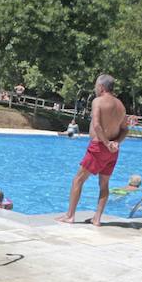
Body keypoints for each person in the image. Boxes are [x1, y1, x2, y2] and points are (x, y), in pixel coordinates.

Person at [56, 74, 128, 226]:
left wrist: (107, 142)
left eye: (96, 86)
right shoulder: (121, 105)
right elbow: (125, 130)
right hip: (113, 151)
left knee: (78, 180)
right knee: (104, 184)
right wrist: (115, 143)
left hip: (99, 146)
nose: (95, 89)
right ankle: (97, 218)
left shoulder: (98, 101)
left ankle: (70, 215)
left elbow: (96, 125)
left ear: (101, 87)